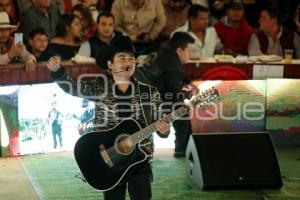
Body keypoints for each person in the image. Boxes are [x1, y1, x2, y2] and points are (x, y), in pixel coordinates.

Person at [47, 36, 170, 199]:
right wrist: (58, 72)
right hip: (108, 159)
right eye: (122, 58)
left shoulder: (149, 92)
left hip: (140, 159)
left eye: (131, 58)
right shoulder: (100, 86)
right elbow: (74, 87)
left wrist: (164, 130)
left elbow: (160, 123)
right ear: (110, 64)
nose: (128, 62)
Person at [134, 32, 198, 158]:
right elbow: (174, 95)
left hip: (136, 94)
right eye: (189, 51)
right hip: (146, 101)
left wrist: (189, 84)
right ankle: (182, 151)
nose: (190, 55)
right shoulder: (172, 65)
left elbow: (171, 78)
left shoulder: (163, 53)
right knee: (181, 111)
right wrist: (190, 95)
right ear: (179, 50)